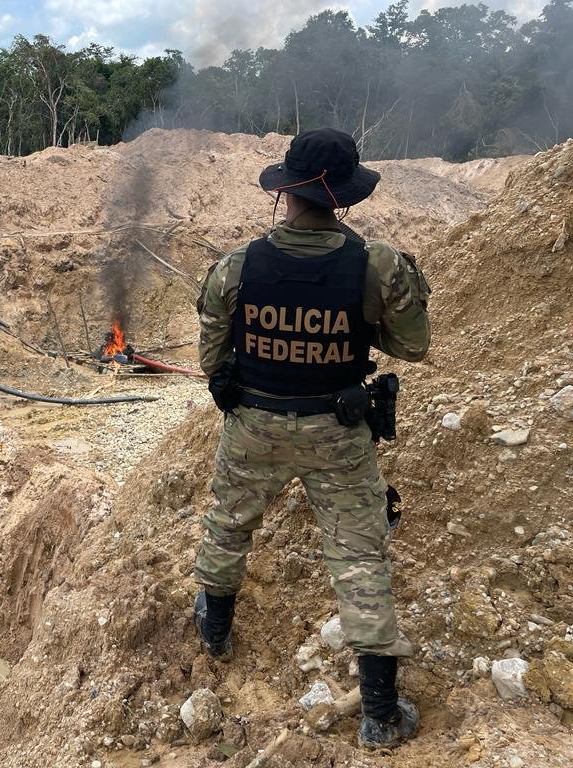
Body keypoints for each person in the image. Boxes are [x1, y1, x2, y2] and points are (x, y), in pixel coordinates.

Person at [193, 128, 431, 749]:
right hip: (338, 429)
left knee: (229, 524)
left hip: (253, 426)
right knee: (358, 558)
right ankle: (379, 711)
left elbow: (212, 361)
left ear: (286, 192)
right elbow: (413, 344)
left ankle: (214, 631)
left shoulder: (236, 266)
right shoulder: (378, 263)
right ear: (344, 197)